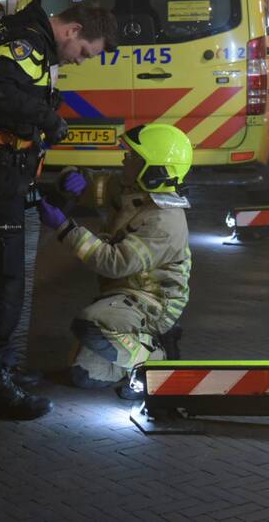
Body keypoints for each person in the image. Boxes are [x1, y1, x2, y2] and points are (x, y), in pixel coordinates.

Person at [0, 2, 117, 419]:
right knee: (5, 282)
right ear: (72, 29)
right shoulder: (24, 44)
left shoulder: (30, 40)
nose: (79, 60)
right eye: (83, 51)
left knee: (2, 281)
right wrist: (47, 117)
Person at [38, 123, 193, 400]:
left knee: (89, 324)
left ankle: (154, 361)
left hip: (151, 304)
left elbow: (113, 262)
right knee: (83, 377)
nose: (124, 159)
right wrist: (71, 177)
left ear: (153, 169)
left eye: (132, 156)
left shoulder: (164, 221)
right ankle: (135, 352)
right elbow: (96, 186)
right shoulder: (132, 190)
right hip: (125, 295)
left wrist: (64, 229)